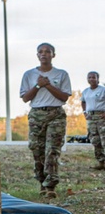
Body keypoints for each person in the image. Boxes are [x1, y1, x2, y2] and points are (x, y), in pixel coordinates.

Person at [20, 43, 72, 199]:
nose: (44, 54)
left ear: (53, 55)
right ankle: (41, 181)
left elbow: (64, 97)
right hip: (37, 114)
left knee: (52, 150)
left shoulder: (61, 74)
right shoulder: (29, 74)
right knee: (37, 149)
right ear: (37, 55)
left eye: (47, 52)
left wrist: (47, 85)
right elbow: (25, 98)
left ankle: (50, 185)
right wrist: (38, 85)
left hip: (55, 114)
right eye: (41, 52)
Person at [81, 71, 105, 170]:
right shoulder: (85, 91)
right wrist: (85, 112)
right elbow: (83, 102)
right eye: (89, 77)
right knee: (95, 140)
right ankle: (101, 162)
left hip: (101, 117)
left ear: (97, 79)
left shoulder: (103, 90)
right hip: (91, 117)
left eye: (93, 77)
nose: (91, 79)